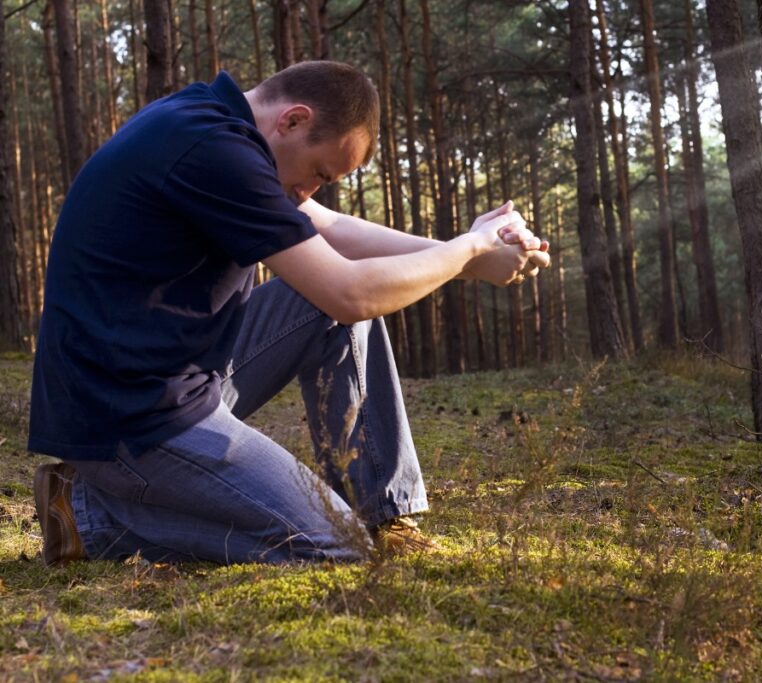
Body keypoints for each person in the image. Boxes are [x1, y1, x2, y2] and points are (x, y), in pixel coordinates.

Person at [29, 61, 549, 566]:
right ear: (294, 120)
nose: (309, 191)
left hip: (173, 375)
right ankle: (90, 517)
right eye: (318, 173)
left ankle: (379, 515)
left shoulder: (213, 122)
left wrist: (471, 258)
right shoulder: (214, 151)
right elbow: (349, 293)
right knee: (335, 545)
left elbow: (332, 229)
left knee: (330, 301)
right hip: (128, 416)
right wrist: (468, 249)